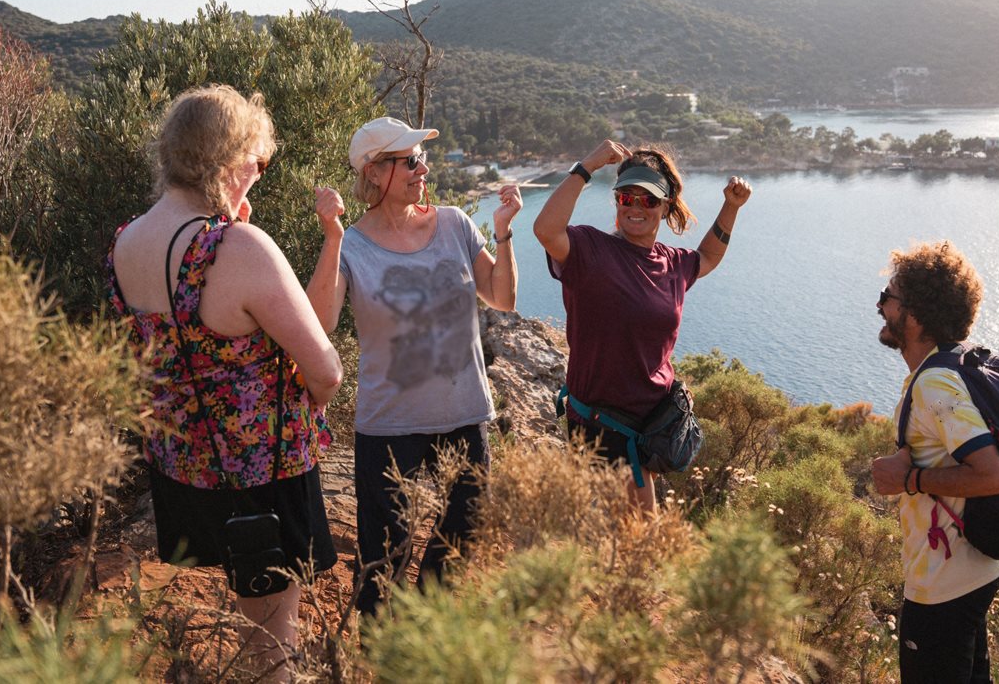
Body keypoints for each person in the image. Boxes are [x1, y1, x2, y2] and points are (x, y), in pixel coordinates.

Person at [107, 85, 342, 682]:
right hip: (264, 476)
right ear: (232, 160)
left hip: (183, 469)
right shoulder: (236, 247)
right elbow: (327, 370)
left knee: (254, 620)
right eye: (258, 165)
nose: (257, 179)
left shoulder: (125, 242)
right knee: (274, 647)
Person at [306, 116, 521, 615]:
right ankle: (377, 658)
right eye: (411, 161)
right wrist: (332, 237)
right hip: (389, 428)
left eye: (422, 158)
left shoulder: (454, 224)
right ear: (376, 173)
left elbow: (503, 297)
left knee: (458, 543)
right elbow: (319, 323)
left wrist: (504, 233)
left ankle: (421, 636)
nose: (423, 169)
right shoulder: (352, 246)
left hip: (465, 417)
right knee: (381, 565)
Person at [533, 140, 751, 511]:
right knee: (633, 547)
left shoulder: (673, 264)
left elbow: (708, 256)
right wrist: (588, 164)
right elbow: (546, 229)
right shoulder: (589, 249)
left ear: (666, 206)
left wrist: (730, 207)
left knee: (626, 547)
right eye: (626, 198)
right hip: (605, 429)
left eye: (648, 200)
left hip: (650, 429)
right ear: (616, 201)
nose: (636, 207)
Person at [870, 241, 999, 683]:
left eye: (887, 298)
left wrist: (909, 479)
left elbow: (993, 475)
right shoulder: (952, 366)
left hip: (943, 585)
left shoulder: (935, 385)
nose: (879, 307)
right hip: (974, 570)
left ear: (914, 316)